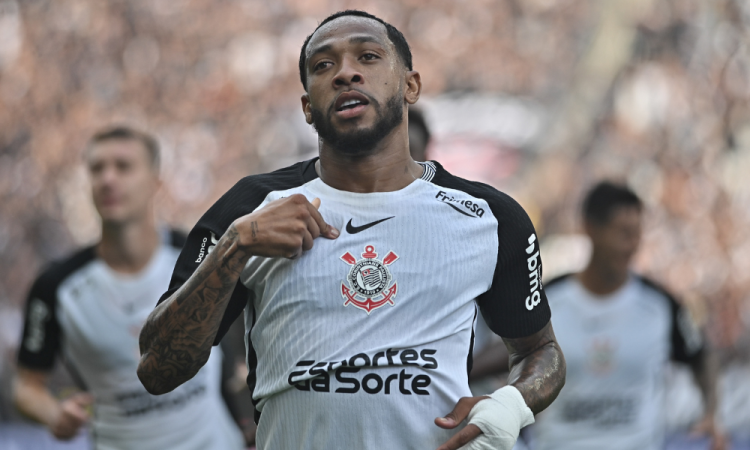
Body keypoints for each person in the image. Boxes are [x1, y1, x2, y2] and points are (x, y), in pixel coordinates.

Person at [137, 10, 566, 450]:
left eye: (368, 56)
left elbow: (540, 351)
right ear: (308, 107)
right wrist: (234, 246)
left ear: (411, 86)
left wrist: (511, 405)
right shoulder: (250, 209)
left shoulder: (489, 217)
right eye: (324, 65)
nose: (345, 73)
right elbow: (157, 370)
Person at [14, 126, 244, 450]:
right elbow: (26, 385)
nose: (108, 179)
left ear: (155, 183)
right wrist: (53, 414)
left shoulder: (201, 257)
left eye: (123, 167)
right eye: (97, 169)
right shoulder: (56, 287)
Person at [528, 181, 725, 450]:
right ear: (590, 229)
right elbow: (510, 358)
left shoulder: (659, 305)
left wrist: (711, 412)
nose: (631, 245)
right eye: (623, 233)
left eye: (637, 234)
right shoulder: (548, 302)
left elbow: (701, 356)